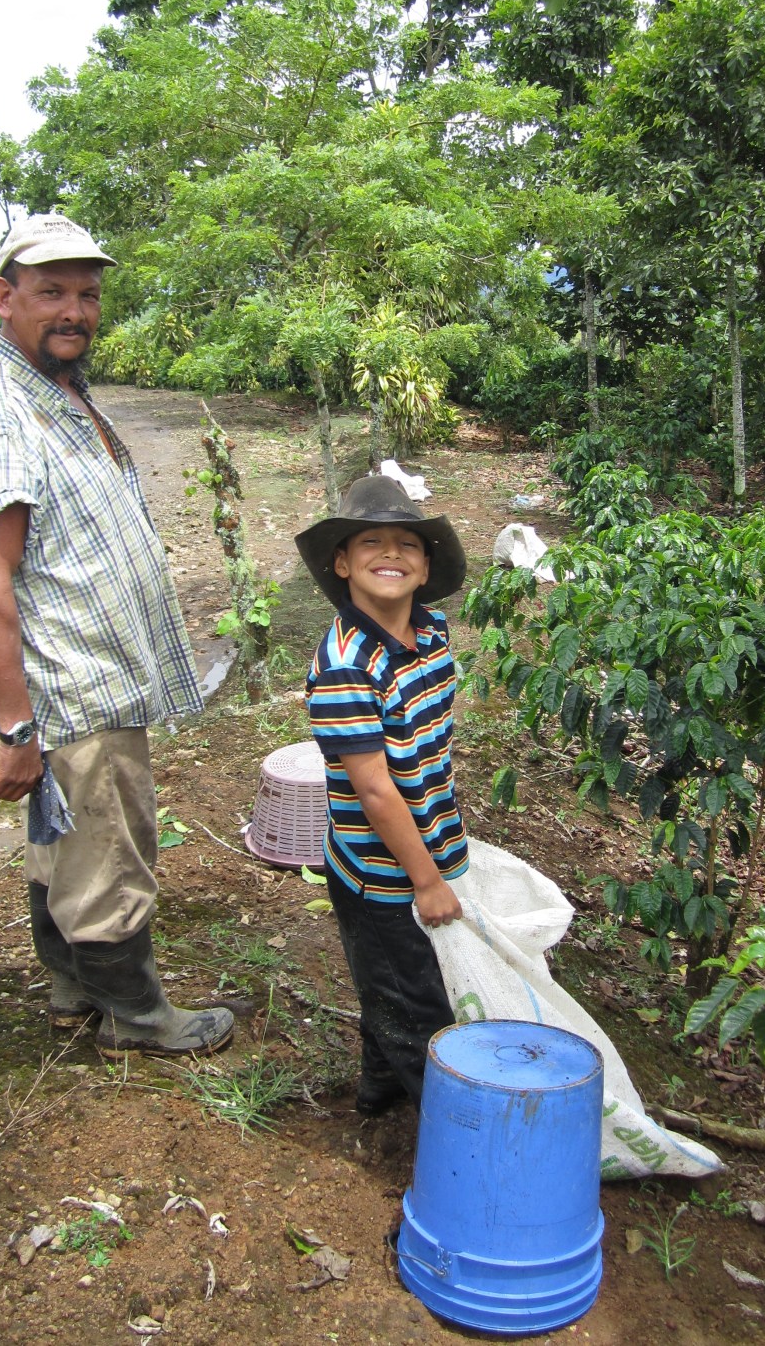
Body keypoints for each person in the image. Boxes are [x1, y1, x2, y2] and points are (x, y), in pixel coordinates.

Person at [0, 213, 233, 1058]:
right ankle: (139, 1021)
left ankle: (72, 987)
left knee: (68, 840)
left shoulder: (54, 389)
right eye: (51, 293)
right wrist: (15, 729)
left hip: (91, 672)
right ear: (4, 298)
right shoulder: (2, 417)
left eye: (87, 294)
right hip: (77, 683)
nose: (75, 311)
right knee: (110, 849)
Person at [296, 476, 468, 1114]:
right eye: (370, 542)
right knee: (421, 1008)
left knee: (393, 988)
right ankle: (452, 1138)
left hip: (425, 844)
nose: (389, 554)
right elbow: (373, 787)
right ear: (343, 563)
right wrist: (426, 881)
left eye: (407, 544)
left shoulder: (433, 634)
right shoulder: (345, 663)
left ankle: (378, 1093)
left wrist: (442, 849)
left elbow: (430, 746)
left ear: (425, 568)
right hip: (380, 874)